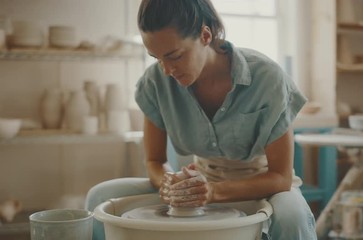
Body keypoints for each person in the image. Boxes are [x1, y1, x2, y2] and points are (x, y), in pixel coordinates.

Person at [85, 0, 317, 239]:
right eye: (156, 58)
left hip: (263, 187)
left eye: (174, 56)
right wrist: (171, 184)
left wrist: (213, 191)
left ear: (205, 36)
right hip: (201, 185)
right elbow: (155, 161)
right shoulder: (155, 82)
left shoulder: (267, 78)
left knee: (292, 217)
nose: (166, 69)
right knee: (100, 195)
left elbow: (281, 178)